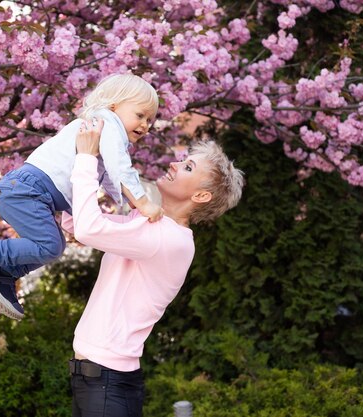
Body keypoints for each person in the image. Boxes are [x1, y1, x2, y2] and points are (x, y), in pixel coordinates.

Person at [65, 119, 244, 417]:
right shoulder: (150, 224)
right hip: (95, 380)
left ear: (200, 196)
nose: (174, 164)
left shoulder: (169, 239)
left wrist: (86, 157)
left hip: (106, 385)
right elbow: (75, 223)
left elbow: (87, 229)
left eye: (188, 167)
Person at [0, 73, 163, 320]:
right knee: (49, 246)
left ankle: (4, 273)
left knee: (55, 246)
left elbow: (108, 175)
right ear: (113, 105)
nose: (145, 125)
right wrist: (141, 201)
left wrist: (124, 203)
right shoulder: (107, 123)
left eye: (150, 120)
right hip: (27, 190)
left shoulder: (100, 130)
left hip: (30, 192)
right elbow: (119, 167)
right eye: (140, 115)